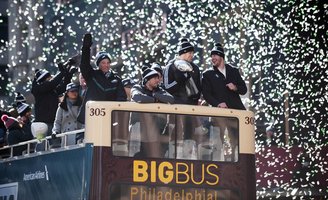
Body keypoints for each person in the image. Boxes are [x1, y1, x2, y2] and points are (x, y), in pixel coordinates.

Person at [202, 42, 247, 161]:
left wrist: (235, 87)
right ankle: (216, 165)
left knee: (237, 143)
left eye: (215, 55)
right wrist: (218, 104)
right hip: (218, 116)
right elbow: (206, 95)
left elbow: (244, 89)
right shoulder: (208, 75)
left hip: (235, 115)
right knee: (217, 143)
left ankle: (237, 165)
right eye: (211, 56)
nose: (212, 58)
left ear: (221, 56)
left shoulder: (233, 71)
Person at [77, 33, 127, 124]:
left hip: (109, 118)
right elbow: (84, 65)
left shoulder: (116, 79)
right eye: (103, 63)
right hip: (91, 117)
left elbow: (121, 98)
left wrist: (116, 114)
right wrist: (86, 48)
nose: (106, 65)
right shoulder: (92, 75)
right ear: (98, 64)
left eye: (108, 62)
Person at [163, 38, 203, 148]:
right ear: (183, 53)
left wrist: (196, 100)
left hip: (191, 108)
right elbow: (167, 87)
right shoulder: (170, 67)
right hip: (175, 108)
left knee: (190, 135)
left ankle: (189, 156)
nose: (192, 55)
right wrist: (182, 78)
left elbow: (199, 87)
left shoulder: (195, 68)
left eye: (192, 53)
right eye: (190, 53)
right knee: (175, 135)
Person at [130, 67, 174, 157]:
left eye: (158, 78)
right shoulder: (137, 87)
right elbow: (138, 97)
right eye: (155, 78)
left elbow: (170, 99)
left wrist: (154, 94)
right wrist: (155, 100)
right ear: (147, 80)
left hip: (156, 130)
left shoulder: (159, 90)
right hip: (139, 131)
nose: (158, 80)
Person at [31, 58, 77, 139]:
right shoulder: (38, 89)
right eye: (49, 77)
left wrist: (68, 74)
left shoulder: (51, 90)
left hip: (52, 123)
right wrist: (62, 72)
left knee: (53, 146)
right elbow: (53, 83)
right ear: (43, 80)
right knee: (41, 146)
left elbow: (63, 87)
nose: (51, 78)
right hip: (42, 125)